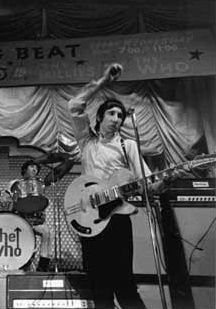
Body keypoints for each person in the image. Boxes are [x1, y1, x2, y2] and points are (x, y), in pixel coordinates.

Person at [67, 63, 169, 309]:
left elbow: (148, 183)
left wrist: (162, 183)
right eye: (112, 113)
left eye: (120, 115)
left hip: (118, 216)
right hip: (90, 218)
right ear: (99, 117)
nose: (117, 118)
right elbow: (74, 105)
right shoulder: (87, 141)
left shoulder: (128, 145)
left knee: (124, 284)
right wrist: (103, 80)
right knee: (99, 286)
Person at [10, 160, 53, 272]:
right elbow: (12, 203)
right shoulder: (15, 183)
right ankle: (22, 265)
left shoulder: (39, 184)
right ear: (25, 169)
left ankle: (43, 266)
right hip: (21, 221)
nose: (35, 170)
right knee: (28, 248)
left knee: (47, 233)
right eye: (32, 167)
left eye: (36, 168)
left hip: (37, 221)